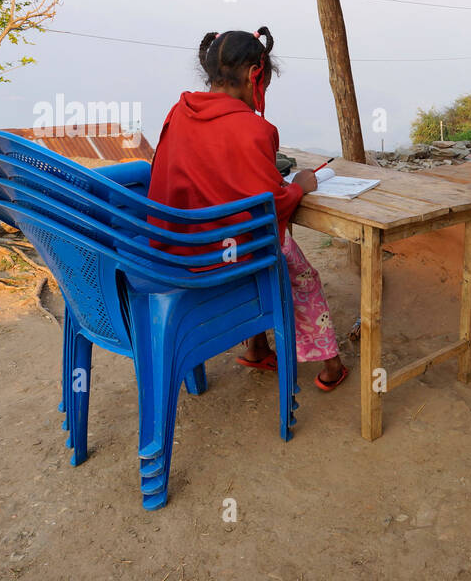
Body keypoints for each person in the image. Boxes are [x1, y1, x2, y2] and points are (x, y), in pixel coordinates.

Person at [148, 26, 349, 391]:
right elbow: (268, 210)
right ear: (255, 75)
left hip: (177, 249)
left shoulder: (177, 112)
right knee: (297, 270)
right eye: (266, 84)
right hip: (222, 259)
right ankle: (330, 366)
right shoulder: (254, 129)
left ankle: (257, 347)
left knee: (251, 238)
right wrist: (300, 186)